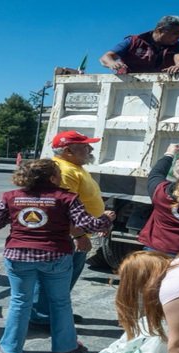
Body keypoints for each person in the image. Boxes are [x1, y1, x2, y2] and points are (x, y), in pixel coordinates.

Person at [0, 159, 115, 353]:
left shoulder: (12, 197)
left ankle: (11, 348)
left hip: (18, 256)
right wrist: (106, 218)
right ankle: (65, 347)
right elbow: (90, 225)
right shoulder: (66, 198)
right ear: (52, 177)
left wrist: (14, 216)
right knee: (60, 302)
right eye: (58, 174)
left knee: (19, 301)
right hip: (55, 256)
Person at [29, 131, 106, 328]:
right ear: (67, 150)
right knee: (55, 279)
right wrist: (79, 234)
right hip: (69, 236)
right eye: (85, 146)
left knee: (63, 280)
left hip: (76, 234)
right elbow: (62, 208)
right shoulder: (65, 172)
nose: (90, 149)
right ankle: (42, 317)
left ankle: (53, 313)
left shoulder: (74, 167)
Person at [99, 15, 179, 74]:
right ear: (159, 30)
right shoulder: (134, 41)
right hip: (126, 87)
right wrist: (112, 63)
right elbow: (106, 57)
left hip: (160, 87)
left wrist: (178, 67)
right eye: (175, 33)